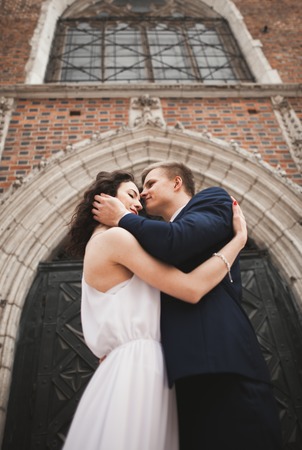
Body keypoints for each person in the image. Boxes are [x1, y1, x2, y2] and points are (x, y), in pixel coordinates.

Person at [92, 162, 282, 450]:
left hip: (222, 360)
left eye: (150, 184)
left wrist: (122, 218)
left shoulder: (213, 200)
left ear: (177, 182)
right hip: (175, 375)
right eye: (138, 190)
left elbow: (178, 243)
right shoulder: (144, 239)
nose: (143, 195)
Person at [63, 169, 247, 450]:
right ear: (105, 201)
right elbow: (190, 288)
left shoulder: (100, 243)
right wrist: (237, 242)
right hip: (140, 366)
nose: (138, 204)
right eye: (131, 195)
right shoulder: (116, 239)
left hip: (125, 364)